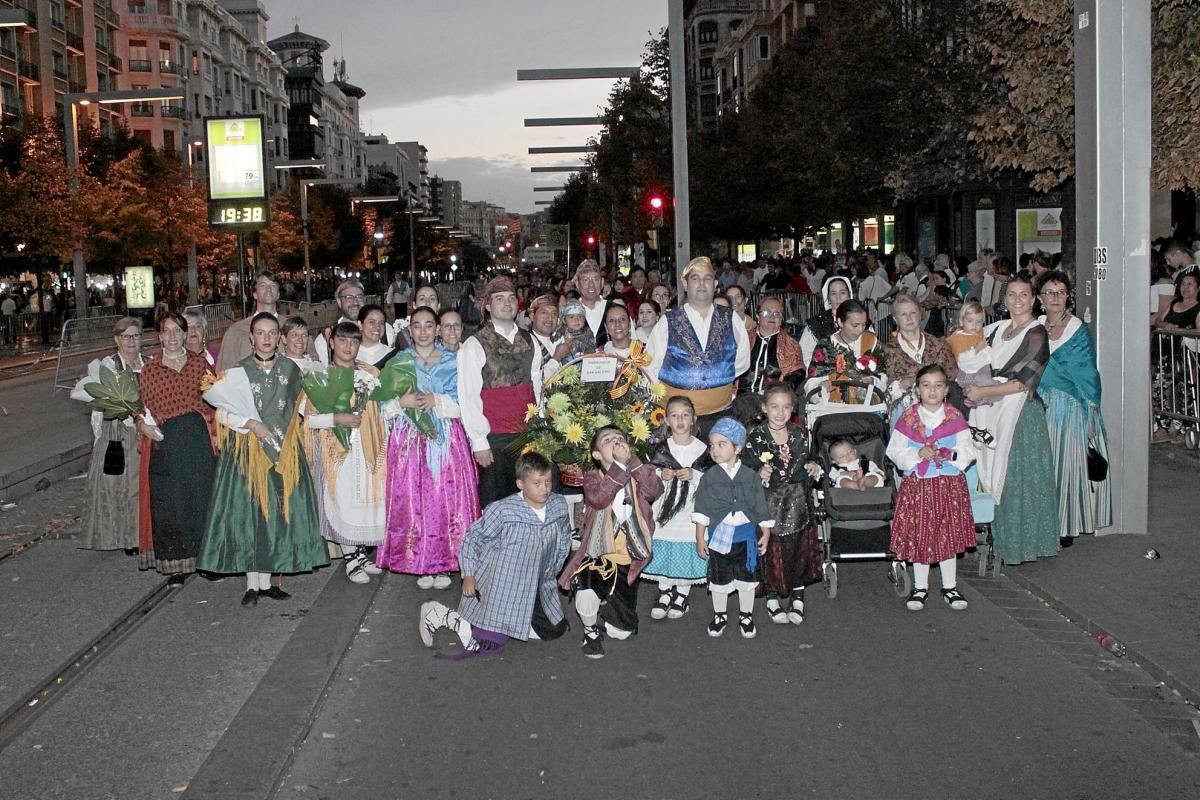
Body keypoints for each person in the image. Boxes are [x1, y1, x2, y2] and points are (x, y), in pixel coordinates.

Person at [199, 313, 328, 605]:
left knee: (277, 514)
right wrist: (252, 425)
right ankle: (252, 584)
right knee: (251, 514)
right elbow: (223, 412)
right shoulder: (237, 373)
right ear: (252, 337)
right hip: (249, 452)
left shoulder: (292, 369)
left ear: (278, 337)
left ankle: (268, 580)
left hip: (284, 452)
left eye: (272, 333)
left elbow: (303, 405)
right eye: (261, 333)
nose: (266, 338)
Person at [417, 452, 571, 657]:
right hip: (501, 586)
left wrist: (556, 569)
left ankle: (512, 622)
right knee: (487, 644)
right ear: (520, 484)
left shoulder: (558, 505)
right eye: (537, 483)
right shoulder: (503, 511)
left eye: (548, 482)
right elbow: (473, 539)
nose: (544, 489)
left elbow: (564, 539)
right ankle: (438, 614)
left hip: (537, 585)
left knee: (554, 631)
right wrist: (469, 574)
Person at [378, 306, 480, 588]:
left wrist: (438, 400)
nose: (422, 331)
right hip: (409, 441)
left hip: (446, 438)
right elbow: (381, 403)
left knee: (445, 498)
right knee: (415, 500)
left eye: (428, 325)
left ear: (437, 329)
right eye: (417, 326)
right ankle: (420, 560)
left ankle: (445, 561)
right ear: (409, 330)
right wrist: (401, 403)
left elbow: (469, 402)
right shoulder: (399, 361)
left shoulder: (455, 360)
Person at [966, 274, 1059, 565]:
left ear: (1034, 299)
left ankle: (1024, 545)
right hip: (993, 410)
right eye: (1012, 295)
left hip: (1021, 415)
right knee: (999, 478)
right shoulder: (997, 329)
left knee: (1019, 480)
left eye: (1024, 295)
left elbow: (1022, 382)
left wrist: (983, 390)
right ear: (1004, 300)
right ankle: (1002, 540)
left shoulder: (1036, 333)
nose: (1018, 301)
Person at [559, 426, 664, 659]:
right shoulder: (591, 478)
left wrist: (632, 462)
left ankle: (610, 609)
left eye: (620, 438)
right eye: (608, 440)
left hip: (627, 560)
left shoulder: (640, 471)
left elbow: (654, 489)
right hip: (598, 556)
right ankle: (590, 630)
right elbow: (598, 499)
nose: (616, 442)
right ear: (597, 455)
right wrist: (618, 468)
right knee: (586, 590)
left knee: (621, 632)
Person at [887, 363, 978, 611]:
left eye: (938, 386)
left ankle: (950, 586)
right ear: (918, 389)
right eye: (926, 386)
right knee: (921, 535)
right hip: (920, 487)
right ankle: (920, 587)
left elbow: (968, 450)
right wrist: (917, 452)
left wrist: (952, 454)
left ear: (946, 390)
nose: (932, 391)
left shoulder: (955, 417)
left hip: (948, 485)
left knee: (947, 534)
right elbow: (895, 451)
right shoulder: (909, 418)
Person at [303, 322, 387, 585]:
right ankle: (350, 556)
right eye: (342, 341)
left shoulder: (369, 373)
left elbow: (384, 407)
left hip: (366, 447)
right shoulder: (322, 376)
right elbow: (310, 419)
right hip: (336, 451)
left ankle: (361, 553)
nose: (348, 347)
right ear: (332, 342)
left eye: (353, 341)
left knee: (364, 500)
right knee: (342, 500)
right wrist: (338, 417)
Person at [136, 313, 216, 581]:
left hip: (198, 444)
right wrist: (142, 425)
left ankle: (208, 560)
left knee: (201, 501)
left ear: (185, 334)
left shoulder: (200, 365)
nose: (171, 337)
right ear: (159, 337)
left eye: (176, 331)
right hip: (166, 445)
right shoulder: (150, 371)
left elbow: (217, 403)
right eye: (165, 331)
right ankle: (176, 565)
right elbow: (141, 409)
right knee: (171, 504)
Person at [1036, 270, 1112, 540]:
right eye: (1049, 292)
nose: (1055, 297)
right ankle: (1044, 522)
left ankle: (1065, 526)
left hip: (1068, 406)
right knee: (1043, 466)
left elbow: (1086, 373)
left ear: (1068, 296)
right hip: (1038, 404)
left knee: (1065, 467)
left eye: (1060, 292)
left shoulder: (1076, 328)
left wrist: (1090, 412)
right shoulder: (1036, 325)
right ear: (1039, 297)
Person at [741, 385, 823, 625]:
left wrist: (813, 466)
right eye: (774, 407)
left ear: (793, 410)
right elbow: (744, 469)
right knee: (772, 551)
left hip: (798, 503)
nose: (780, 412)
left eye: (786, 407)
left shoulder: (801, 434)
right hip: (768, 506)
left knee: (798, 550)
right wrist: (758, 471)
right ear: (764, 408)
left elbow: (814, 458)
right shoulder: (756, 438)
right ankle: (772, 595)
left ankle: (798, 593)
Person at [458, 277, 542, 507]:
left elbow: (537, 383)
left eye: (512, 298)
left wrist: (540, 425)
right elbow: (468, 395)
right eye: (499, 299)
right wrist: (479, 441)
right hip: (495, 438)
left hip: (527, 434)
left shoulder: (529, 339)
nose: (507, 303)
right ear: (487, 305)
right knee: (496, 503)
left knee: (528, 499)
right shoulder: (475, 344)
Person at [646, 256, 751, 426]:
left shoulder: (731, 319)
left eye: (707, 278)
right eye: (695, 278)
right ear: (686, 284)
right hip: (678, 420)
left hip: (722, 414)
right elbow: (650, 366)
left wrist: (717, 377)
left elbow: (743, 361)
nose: (702, 283)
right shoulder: (668, 321)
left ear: (715, 284)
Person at [70, 317, 145, 552]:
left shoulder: (150, 363)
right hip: (117, 434)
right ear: (116, 340)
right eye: (126, 336)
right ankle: (120, 536)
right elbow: (97, 402)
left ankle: (139, 535)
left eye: (135, 335)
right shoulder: (109, 366)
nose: (131, 341)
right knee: (116, 486)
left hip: (144, 432)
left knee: (140, 487)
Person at [694, 417, 772, 639]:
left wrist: (765, 532)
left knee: (747, 580)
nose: (714, 450)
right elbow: (702, 509)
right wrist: (700, 538)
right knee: (719, 579)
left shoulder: (750, 476)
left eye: (721, 444)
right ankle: (720, 614)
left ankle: (746, 615)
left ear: (737, 448)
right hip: (719, 538)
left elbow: (760, 505)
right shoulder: (709, 478)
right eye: (712, 445)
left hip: (746, 537)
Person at [642, 396, 711, 620]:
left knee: (687, 545)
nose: (680, 420)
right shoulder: (661, 448)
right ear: (667, 421)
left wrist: (695, 475)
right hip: (665, 508)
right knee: (664, 544)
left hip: (691, 508)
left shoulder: (703, 449)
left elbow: (712, 480)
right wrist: (661, 475)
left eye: (685, 415)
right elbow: (649, 477)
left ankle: (682, 593)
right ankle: (664, 590)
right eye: (674, 416)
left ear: (693, 419)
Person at [884, 294, 958, 411]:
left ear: (920, 314)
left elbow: (953, 379)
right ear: (895, 319)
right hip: (904, 413)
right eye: (903, 314)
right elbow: (885, 389)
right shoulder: (887, 351)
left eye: (913, 313)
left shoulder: (940, 345)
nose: (909, 318)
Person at [805, 299, 887, 403]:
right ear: (840, 322)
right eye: (855, 325)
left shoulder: (871, 341)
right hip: (832, 409)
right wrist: (821, 389)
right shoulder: (825, 346)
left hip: (867, 409)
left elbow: (883, 377)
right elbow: (810, 386)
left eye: (864, 324)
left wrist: (873, 381)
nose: (860, 330)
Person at [216, 271, 281, 372]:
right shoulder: (236, 331)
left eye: (273, 285)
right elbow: (223, 373)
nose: (269, 289)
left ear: (278, 295)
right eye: (263, 285)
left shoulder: (292, 329)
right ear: (254, 294)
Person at [742, 295, 805, 395]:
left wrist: (780, 391)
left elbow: (797, 373)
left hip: (774, 400)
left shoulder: (791, 345)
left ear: (782, 319)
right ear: (757, 316)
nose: (772, 316)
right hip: (740, 400)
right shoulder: (743, 339)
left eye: (777, 313)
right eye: (766, 312)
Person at [948, 301, 999, 407]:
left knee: (989, 385)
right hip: (969, 371)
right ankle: (980, 399)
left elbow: (990, 328)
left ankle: (976, 401)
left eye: (979, 322)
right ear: (962, 322)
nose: (974, 325)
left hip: (978, 368)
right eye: (970, 321)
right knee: (989, 385)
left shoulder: (976, 333)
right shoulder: (960, 338)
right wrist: (977, 349)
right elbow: (962, 358)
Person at [800, 276, 853, 366]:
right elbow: (804, 356)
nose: (838, 297)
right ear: (828, 299)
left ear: (849, 295)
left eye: (843, 293)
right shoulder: (816, 324)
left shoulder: (861, 321)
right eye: (833, 293)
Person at [315, 280, 367, 365]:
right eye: (349, 297)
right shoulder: (325, 339)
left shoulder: (382, 331)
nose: (355, 302)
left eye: (359, 297)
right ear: (339, 302)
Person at [526, 294, 563, 380]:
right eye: (544, 313)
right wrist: (557, 358)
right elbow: (534, 381)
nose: (550, 319)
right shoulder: (525, 343)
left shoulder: (560, 340)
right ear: (532, 316)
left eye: (554, 314)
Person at [574, 259, 609, 346]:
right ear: (577, 284)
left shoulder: (615, 310)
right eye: (585, 280)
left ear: (602, 282)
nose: (591, 285)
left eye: (595, 279)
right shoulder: (569, 312)